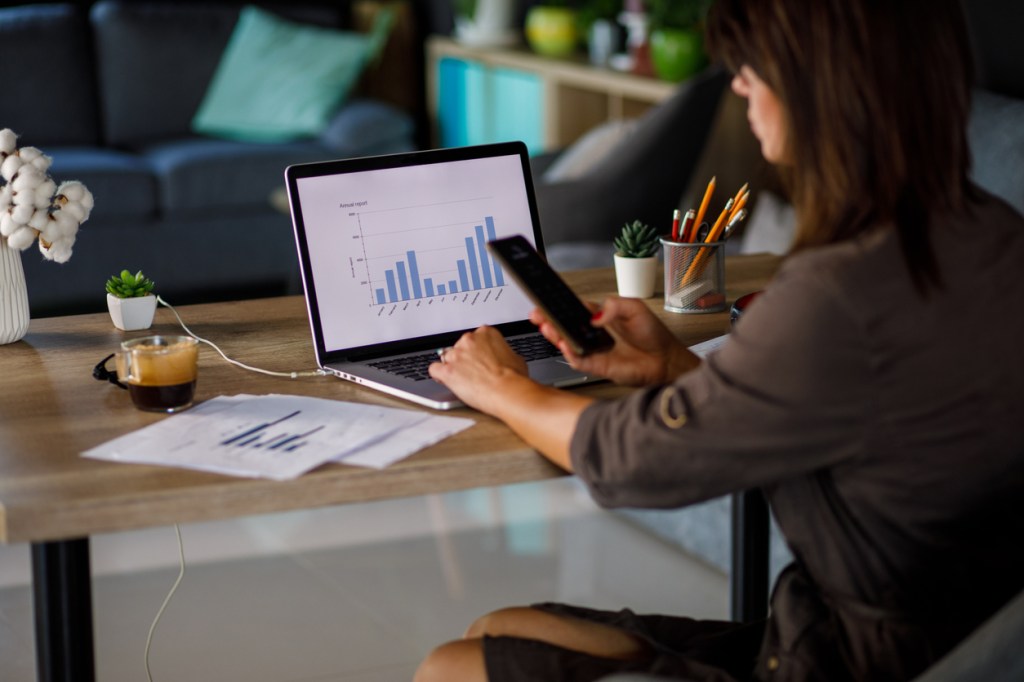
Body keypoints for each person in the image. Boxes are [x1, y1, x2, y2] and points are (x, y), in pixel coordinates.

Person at [415, 0, 1024, 680]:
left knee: (449, 667)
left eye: (752, 68)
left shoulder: (837, 294)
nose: (737, 84)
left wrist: (504, 387)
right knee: (497, 629)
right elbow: (839, 412)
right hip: (933, 636)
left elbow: (633, 462)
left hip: (850, 660)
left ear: (820, 87)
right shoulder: (995, 233)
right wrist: (673, 366)